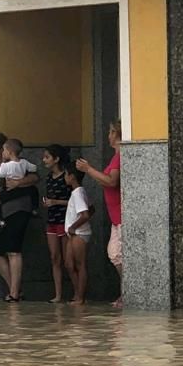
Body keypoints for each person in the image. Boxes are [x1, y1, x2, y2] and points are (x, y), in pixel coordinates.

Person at [0, 133, 39, 303]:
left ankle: (13, 293)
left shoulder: (16, 163)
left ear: (3, 149)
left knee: (13, 249)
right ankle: (16, 289)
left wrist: (19, 183)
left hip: (15, 209)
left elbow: (35, 177)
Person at [77, 120, 122, 308]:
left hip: (121, 215)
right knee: (115, 254)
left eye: (112, 132)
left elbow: (111, 181)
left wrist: (89, 170)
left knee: (116, 254)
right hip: (115, 216)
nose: (108, 136)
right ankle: (125, 291)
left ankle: (127, 291)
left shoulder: (120, 157)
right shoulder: (114, 157)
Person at [41, 144, 71, 303]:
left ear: (56, 159)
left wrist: (56, 202)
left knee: (68, 259)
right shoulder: (48, 178)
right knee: (54, 257)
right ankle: (58, 294)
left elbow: (75, 201)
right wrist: (48, 203)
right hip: (52, 220)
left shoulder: (67, 176)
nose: (44, 160)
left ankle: (76, 292)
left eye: (47, 157)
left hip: (64, 220)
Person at [0, 138, 38, 232]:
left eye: (4, 150)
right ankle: (34, 208)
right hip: (23, 188)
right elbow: (34, 168)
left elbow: (1, 174)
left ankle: (0, 220)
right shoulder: (24, 162)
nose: (3, 153)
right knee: (33, 190)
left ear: (9, 152)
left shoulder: (6, 165)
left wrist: (3, 163)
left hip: (10, 189)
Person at [64, 163, 92, 306]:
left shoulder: (78, 193)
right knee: (69, 264)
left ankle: (81, 297)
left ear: (72, 177)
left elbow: (85, 214)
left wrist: (73, 227)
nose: (65, 177)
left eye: (66, 174)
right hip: (74, 233)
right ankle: (77, 293)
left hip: (79, 233)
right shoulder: (78, 192)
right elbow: (91, 209)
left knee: (80, 265)